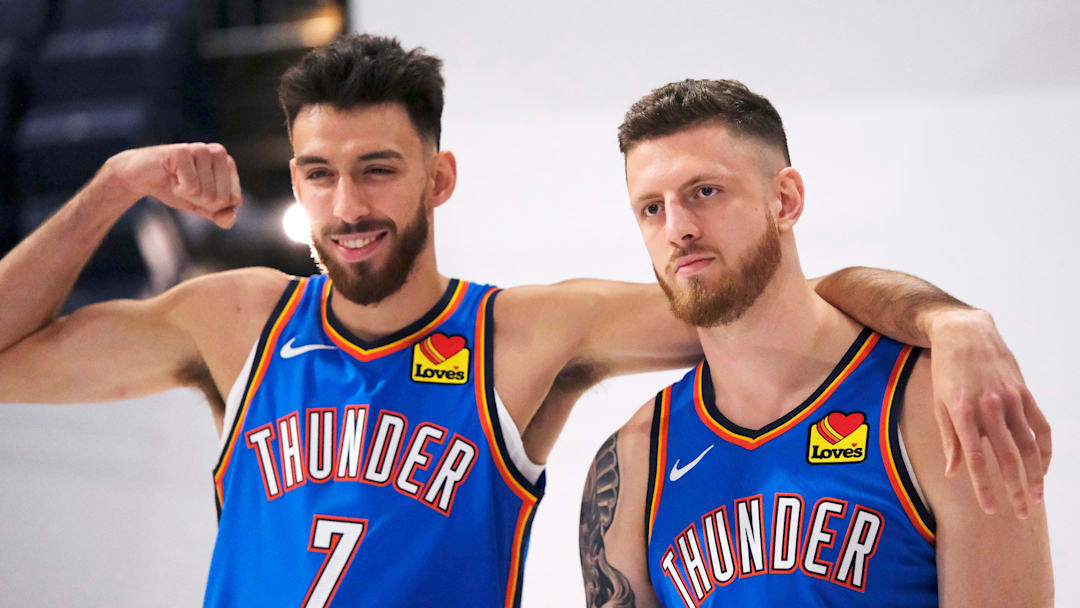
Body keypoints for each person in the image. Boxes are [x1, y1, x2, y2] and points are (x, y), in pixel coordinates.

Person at [0, 35, 1046, 607]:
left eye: (378, 169)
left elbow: (759, 302)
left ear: (436, 177)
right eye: (319, 175)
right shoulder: (236, 321)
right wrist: (112, 182)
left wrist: (951, 319)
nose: (349, 204)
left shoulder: (525, 336)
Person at [579, 78, 1053, 607]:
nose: (677, 228)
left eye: (705, 192)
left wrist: (954, 321)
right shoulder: (636, 459)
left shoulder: (939, 406)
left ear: (785, 199)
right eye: (652, 208)